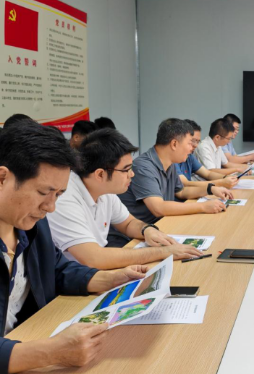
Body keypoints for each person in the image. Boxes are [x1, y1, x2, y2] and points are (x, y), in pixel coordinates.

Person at [0, 122, 148, 372]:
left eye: (58, 194)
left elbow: (56, 269)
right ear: (2, 178)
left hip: (27, 338)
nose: (50, 207)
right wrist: (50, 352)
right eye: (43, 192)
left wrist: (109, 279)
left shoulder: (31, 224)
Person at [47, 129, 203, 269]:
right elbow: (94, 258)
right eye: (126, 170)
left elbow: (128, 223)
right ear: (100, 174)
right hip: (74, 280)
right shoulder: (64, 198)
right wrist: (163, 252)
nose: (132, 174)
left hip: (96, 272)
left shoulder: (104, 190)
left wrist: (147, 230)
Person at [119, 119, 231, 227]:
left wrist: (210, 189)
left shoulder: (170, 164)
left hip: (161, 223)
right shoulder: (143, 167)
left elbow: (181, 192)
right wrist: (202, 206)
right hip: (139, 232)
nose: (192, 148)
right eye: (189, 143)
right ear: (174, 144)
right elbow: (158, 208)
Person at [176, 120, 238, 189]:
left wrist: (225, 177)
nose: (196, 145)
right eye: (192, 141)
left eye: (198, 141)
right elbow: (185, 185)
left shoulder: (189, 156)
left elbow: (208, 174)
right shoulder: (173, 160)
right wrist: (221, 182)